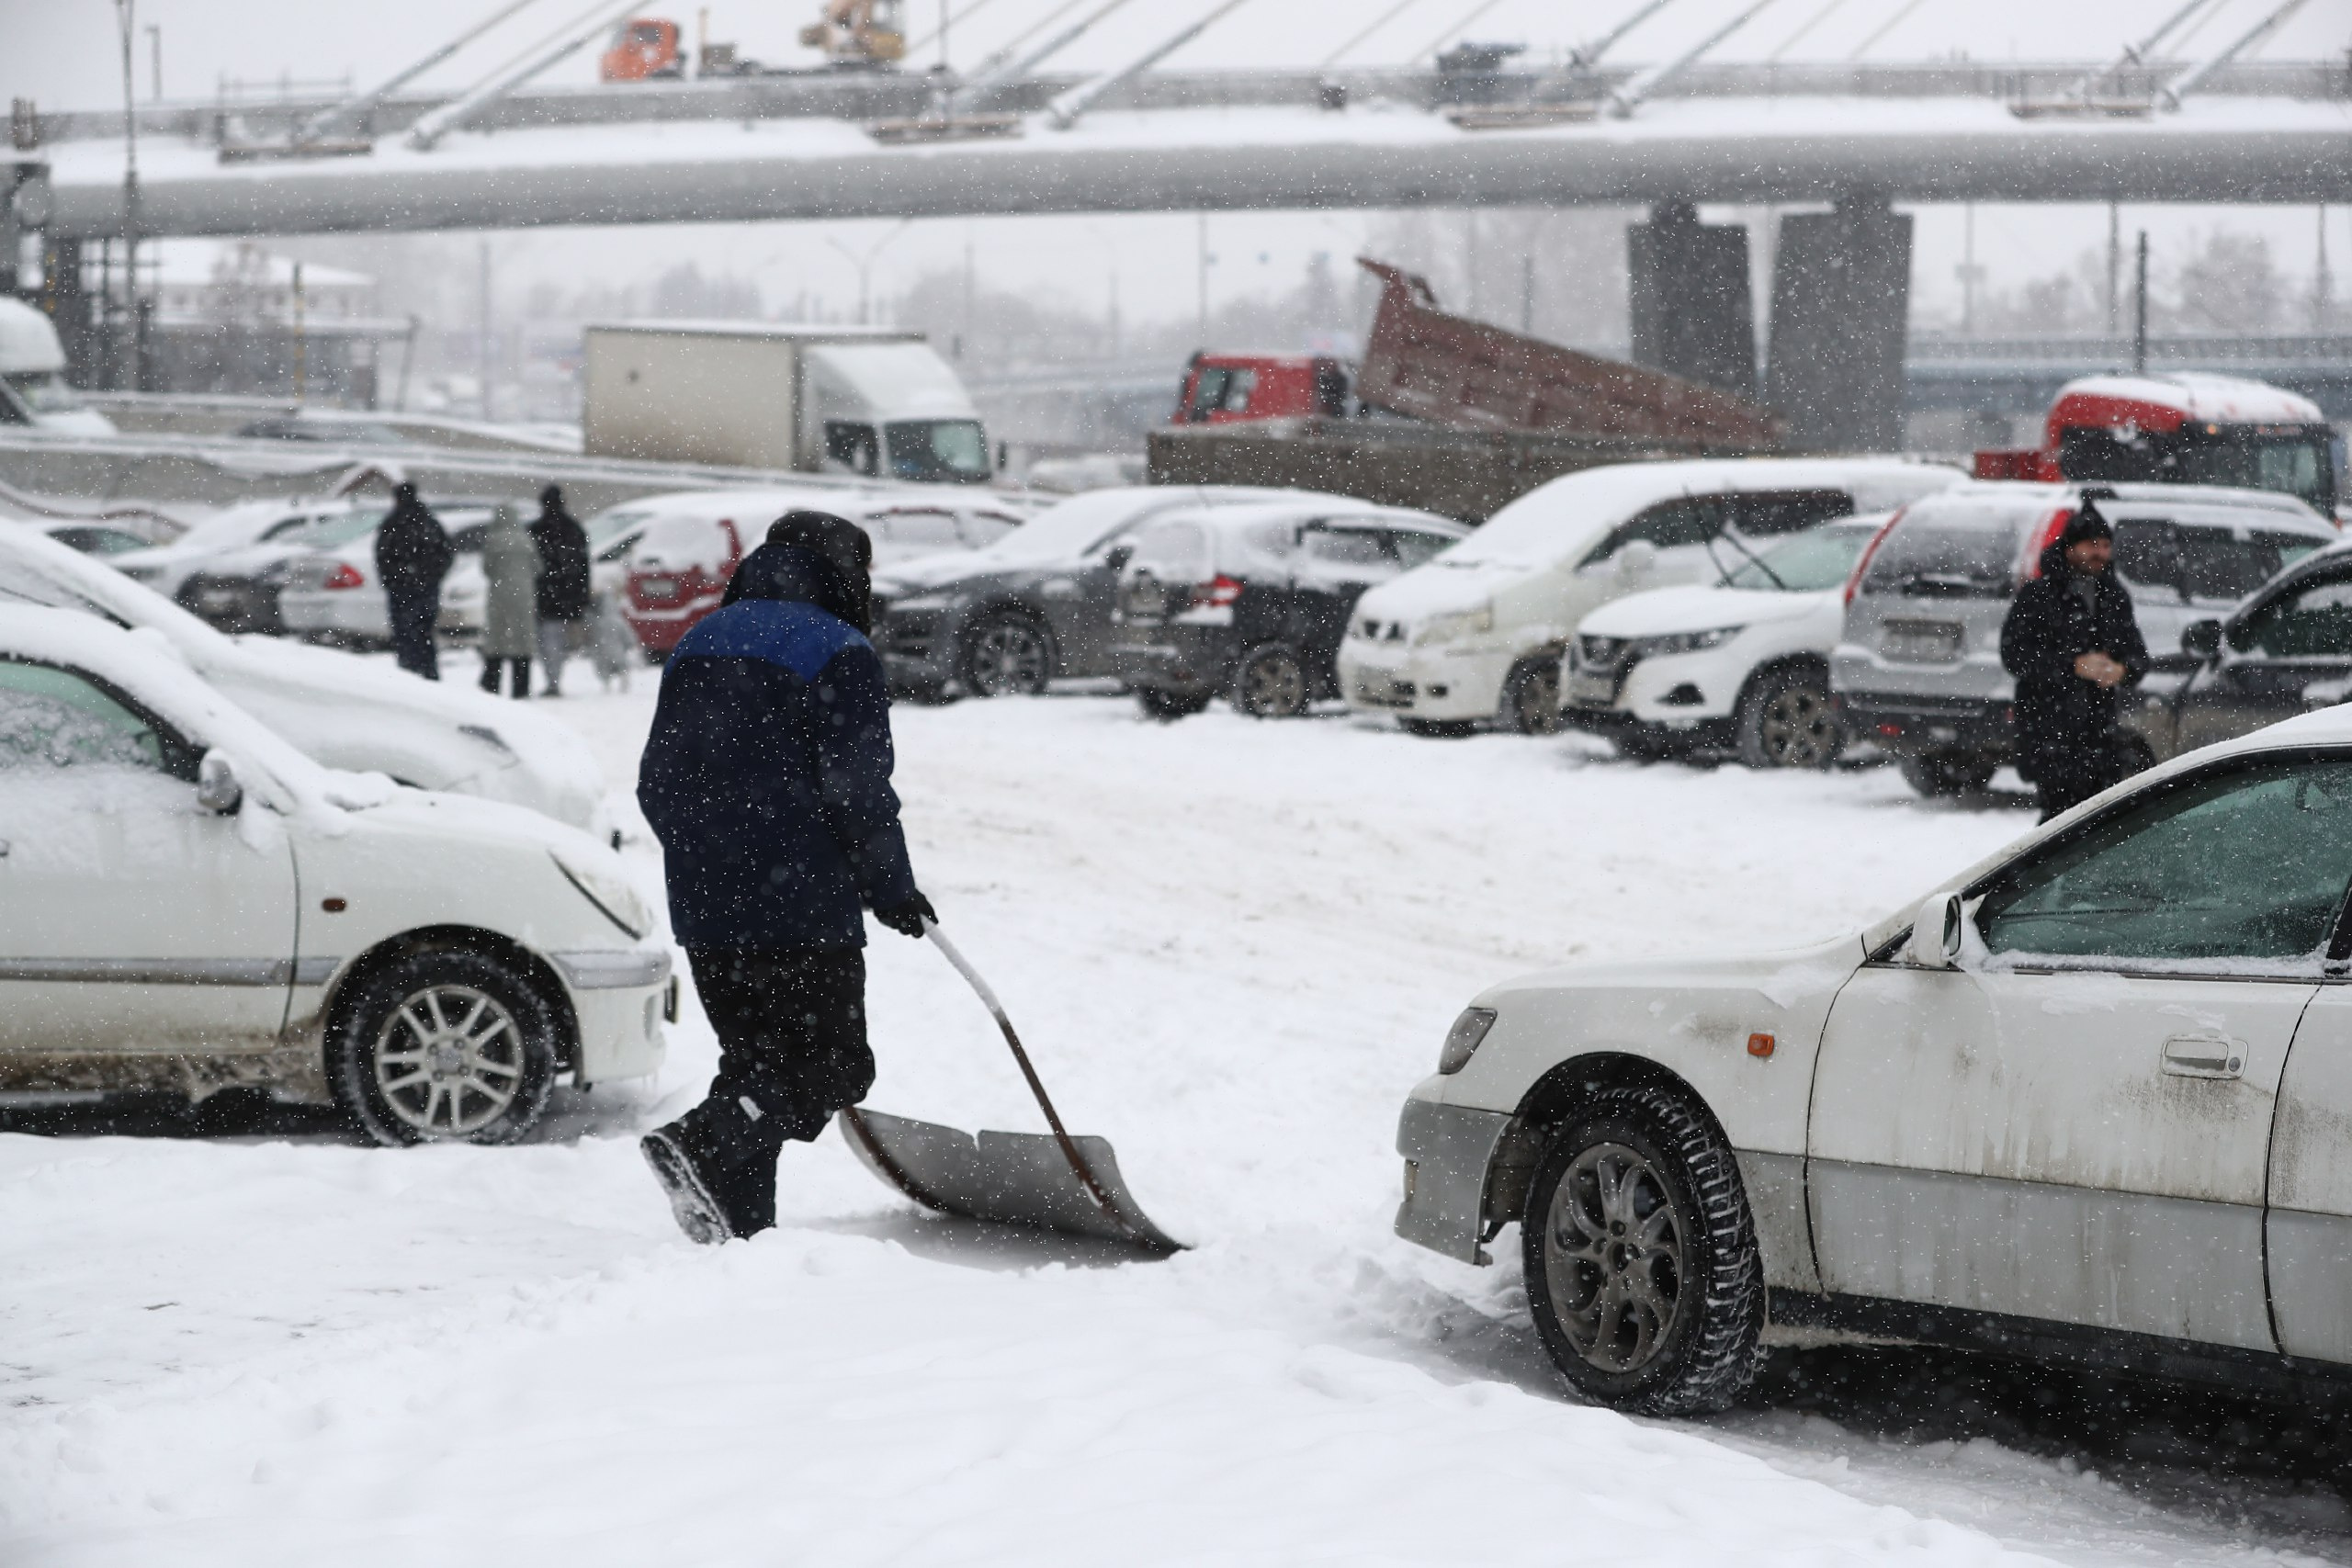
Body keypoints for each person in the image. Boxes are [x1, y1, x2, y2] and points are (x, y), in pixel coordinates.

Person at [636, 511, 936, 1244]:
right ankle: (705, 1139)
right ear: (841, 570)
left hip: (707, 907)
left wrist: (709, 859)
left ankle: (741, 1235)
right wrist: (889, 886)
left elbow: (657, 783)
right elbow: (857, 789)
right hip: (801, 909)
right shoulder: (839, 649)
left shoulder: (699, 640)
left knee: (756, 1067)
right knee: (833, 1066)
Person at [2000, 497, 2150, 823]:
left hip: (2099, 732)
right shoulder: (2039, 595)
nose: (2099, 553)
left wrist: (2121, 670)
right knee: (2057, 823)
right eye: (2091, 545)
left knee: (2098, 821)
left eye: (2105, 545)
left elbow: (2137, 655)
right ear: (2070, 548)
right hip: (2049, 732)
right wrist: (2071, 666)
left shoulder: (2113, 595)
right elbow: (2015, 655)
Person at [375, 482, 452, 680]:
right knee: (424, 633)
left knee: (405, 635)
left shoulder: (393, 524)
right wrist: (432, 577)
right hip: (425, 589)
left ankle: (409, 676)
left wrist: (393, 579)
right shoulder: (428, 522)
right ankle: (429, 673)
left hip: (402, 589)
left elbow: (383, 556)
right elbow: (446, 553)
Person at [530, 483, 592, 697]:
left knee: (546, 641)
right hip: (566, 593)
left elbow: (531, 566)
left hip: (543, 595)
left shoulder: (535, 530)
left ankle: (552, 679)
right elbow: (583, 566)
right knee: (557, 640)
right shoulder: (573, 529)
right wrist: (581, 595)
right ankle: (554, 678)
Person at [477, 502, 542, 699]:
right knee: (522, 639)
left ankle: (492, 682)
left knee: (497, 638)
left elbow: (487, 569)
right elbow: (538, 567)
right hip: (524, 595)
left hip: (499, 594)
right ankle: (521, 686)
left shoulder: (493, 540)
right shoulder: (526, 540)